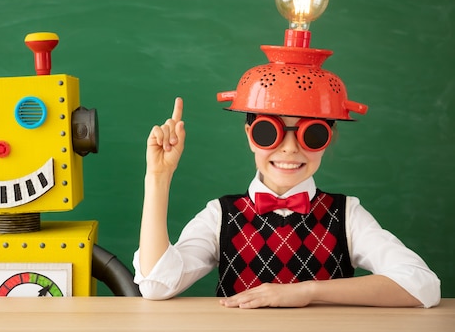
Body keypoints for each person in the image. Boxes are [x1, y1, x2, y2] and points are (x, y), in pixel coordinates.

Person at [133, 97, 441, 308]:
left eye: (312, 134)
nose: (290, 148)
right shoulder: (220, 215)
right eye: (270, 132)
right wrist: (158, 177)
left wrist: (305, 292)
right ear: (250, 136)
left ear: (329, 139)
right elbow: (157, 286)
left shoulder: (347, 215)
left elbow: (422, 285)